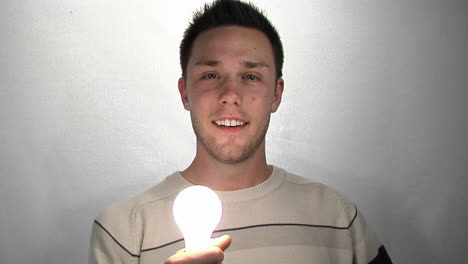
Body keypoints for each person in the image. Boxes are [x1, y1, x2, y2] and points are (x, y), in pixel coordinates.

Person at [88, 0, 392, 263]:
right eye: (210, 74)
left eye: (250, 76)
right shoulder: (123, 232)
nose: (230, 94)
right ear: (185, 93)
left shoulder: (338, 219)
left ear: (276, 94)